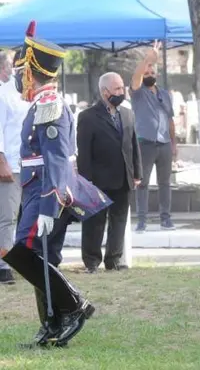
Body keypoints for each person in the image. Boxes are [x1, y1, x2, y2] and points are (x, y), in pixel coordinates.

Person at [1, 21, 112, 347]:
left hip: (45, 190)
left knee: (24, 252)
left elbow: (57, 158)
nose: (17, 77)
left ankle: (73, 305)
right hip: (35, 188)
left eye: (20, 70)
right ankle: (52, 322)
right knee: (38, 256)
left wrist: (50, 205)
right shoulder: (39, 103)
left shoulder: (49, 104)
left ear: (31, 71)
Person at [76, 72, 143, 273]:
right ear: (105, 92)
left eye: (122, 87)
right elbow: (84, 152)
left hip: (123, 178)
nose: (122, 92)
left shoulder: (128, 114)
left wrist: (137, 172)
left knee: (119, 221)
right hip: (98, 180)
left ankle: (113, 260)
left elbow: (133, 145)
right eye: (117, 89)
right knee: (95, 222)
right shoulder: (88, 117)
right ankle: (91, 261)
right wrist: (86, 182)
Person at [130, 41, 177, 232]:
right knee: (143, 183)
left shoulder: (164, 94)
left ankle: (166, 219)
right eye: (146, 72)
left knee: (165, 183)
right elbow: (136, 76)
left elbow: (170, 119)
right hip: (146, 143)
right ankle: (142, 221)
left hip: (164, 143)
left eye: (152, 72)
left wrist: (174, 143)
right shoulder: (138, 93)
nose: (149, 75)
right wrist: (148, 59)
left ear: (156, 75)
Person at [0, 51, 30, 285]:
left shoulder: (29, 95)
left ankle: (20, 261)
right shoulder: (3, 93)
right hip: (10, 163)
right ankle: (3, 265)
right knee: (7, 217)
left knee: (25, 217)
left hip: (29, 164)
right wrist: (2, 161)